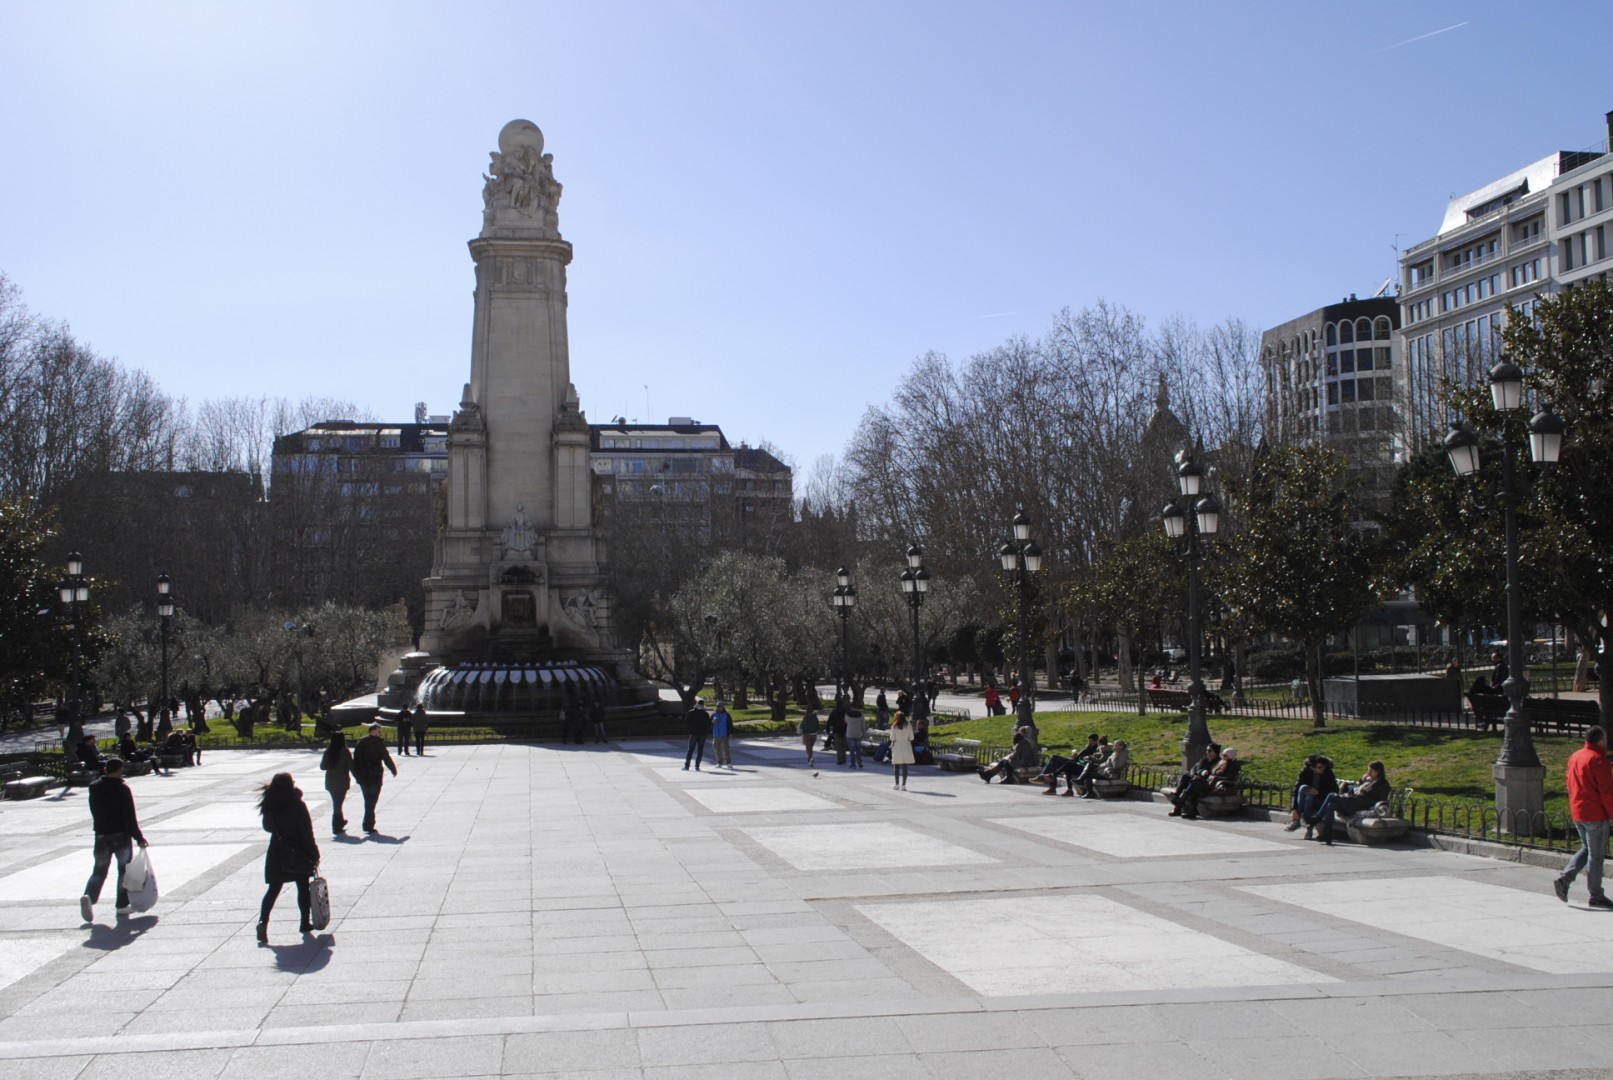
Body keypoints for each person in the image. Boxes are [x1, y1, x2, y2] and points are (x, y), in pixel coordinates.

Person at [80, 759, 148, 923]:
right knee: (123, 871)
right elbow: (129, 816)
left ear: (105, 769)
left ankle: (89, 896)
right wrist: (138, 837)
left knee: (99, 871)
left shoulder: (94, 787)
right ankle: (122, 905)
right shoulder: (122, 789)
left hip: (101, 835)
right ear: (119, 770)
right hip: (121, 835)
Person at [255, 772, 320, 944]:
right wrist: (314, 853)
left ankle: (263, 922)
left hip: (277, 851)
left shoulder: (270, 804)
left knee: (273, 889)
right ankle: (304, 922)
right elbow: (306, 832)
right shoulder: (297, 805)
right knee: (303, 887)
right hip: (298, 851)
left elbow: (267, 827)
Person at [1554, 726, 1613, 908]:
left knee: (1587, 849)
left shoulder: (1576, 756)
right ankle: (1596, 895)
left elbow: (1568, 782)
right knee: (1596, 855)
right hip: (1595, 813)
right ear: (1600, 741)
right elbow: (1607, 792)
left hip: (1578, 811)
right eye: (1605, 739)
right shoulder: (1598, 760)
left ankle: (1565, 878)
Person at [1306, 760, 1390, 845]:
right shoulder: (1368, 781)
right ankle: (1327, 834)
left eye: (1371, 771)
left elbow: (1379, 801)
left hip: (1358, 807)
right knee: (1330, 805)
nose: (1368, 773)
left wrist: (1363, 796)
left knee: (1331, 795)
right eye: (1368, 770)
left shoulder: (1383, 785)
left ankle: (1315, 820)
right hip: (1352, 802)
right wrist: (1362, 781)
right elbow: (1356, 790)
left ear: (1377, 771)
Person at [350, 723, 398, 834]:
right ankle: (368, 824)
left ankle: (367, 823)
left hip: (363, 776)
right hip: (375, 775)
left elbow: (355, 759)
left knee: (368, 800)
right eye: (378, 730)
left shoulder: (361, 743)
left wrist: (357, 774)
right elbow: (386, 757)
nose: (380, 733)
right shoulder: (378, 743)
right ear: (373, 731)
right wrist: (393, 769)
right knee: (372, 801)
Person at [1285, 755, 1337, 832]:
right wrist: (1294, 809)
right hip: (1307, 800)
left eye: (1323, 766)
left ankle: (1302, 822)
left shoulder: (1328, 772)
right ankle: (1301, 821)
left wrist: (1318, 792)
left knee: (1309, 796)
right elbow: (1296, 790)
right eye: (1319, 767)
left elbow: (1335, 791)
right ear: (1312, 768)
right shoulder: (1305, 772)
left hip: (1321, 801)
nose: (1323, 768)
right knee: (1304, 789)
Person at [1038, 734, 1102, 796]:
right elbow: (1079, 758)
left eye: (1091, 741)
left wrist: (1086, 758)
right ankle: (1066, 789)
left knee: (1064, 762)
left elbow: (1092, 761)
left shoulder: (1097, 749)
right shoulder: (1088, 748)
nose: (1089, 743)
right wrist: (1076, 755)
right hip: (1078, 763)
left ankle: (1049, 776)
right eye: (1089, 741)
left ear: (1096, 741)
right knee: (1056, 760)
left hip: (1085, 768)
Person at [1169, 744, 1219, 816]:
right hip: (1195, 782)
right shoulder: (1204, 760)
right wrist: (1201, 772)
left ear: (1215, 752)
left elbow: (1214, 774)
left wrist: (1204, 774)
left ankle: (1179, 805)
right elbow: (1196, 770)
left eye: (1209, 750)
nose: (1207, 752)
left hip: (1206, 785)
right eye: (1207, 750)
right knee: (1185, 777)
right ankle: (1177, 800)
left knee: (1194, 783)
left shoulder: (1218, 762)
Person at [320, 731, 354, 835]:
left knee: (337, 802)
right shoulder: (345, 751)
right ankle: (336, 826)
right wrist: (359, 777)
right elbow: (351, 766)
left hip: (330, 781)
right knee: (338, 804)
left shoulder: (328, 751)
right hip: (342, 781)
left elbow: (322, 767)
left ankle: (340, 822)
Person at [683, 697, 711, 770]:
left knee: (690, 750)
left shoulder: (691, 712)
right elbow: (708, 724)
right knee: (700, 750)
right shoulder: (705, 714)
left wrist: (691, 729)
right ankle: (697, 766)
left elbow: (687, 722)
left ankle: (687, 766)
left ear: (696, 704)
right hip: (702, 734)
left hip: (694, 733)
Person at [889, 711, 914, 790]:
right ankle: (904, 785)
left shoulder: (894, 726)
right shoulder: (908, 725)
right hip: (906, 745)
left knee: (896, 766)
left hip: (897, 746)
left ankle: (896, 784)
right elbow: (912, 738)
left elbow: (892, 738)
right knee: (905, 766)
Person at [710, 700, 733, 768]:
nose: (718, 708)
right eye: (717, 706)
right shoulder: (713, 714)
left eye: (720, 706)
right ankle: (719, 763)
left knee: (726, 750)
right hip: (715, 735)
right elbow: (709, 724)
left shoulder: (727, 715)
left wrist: (730, 733)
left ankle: (728, 763)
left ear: (723, 707)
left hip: (724, 734)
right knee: (717, 750)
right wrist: (712, 722)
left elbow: (730, 725)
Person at [845, 705, 867, 769]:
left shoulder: (847, 714)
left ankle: (853, 764)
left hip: (850, 734)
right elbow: (863, 725)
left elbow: (846, 721)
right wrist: (864, 733)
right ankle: (859, 762)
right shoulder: (861, 715)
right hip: (858, 734)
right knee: (858, 750)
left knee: (852, 751)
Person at [827, 700, 848, 766]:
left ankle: (840, 759)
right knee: (844, 745)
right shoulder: (845, 712)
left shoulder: (833, 712)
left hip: (836, 730)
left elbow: (829, 722)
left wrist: (828, 730)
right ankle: (844, 758)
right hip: (844, 730)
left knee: (838, 746)